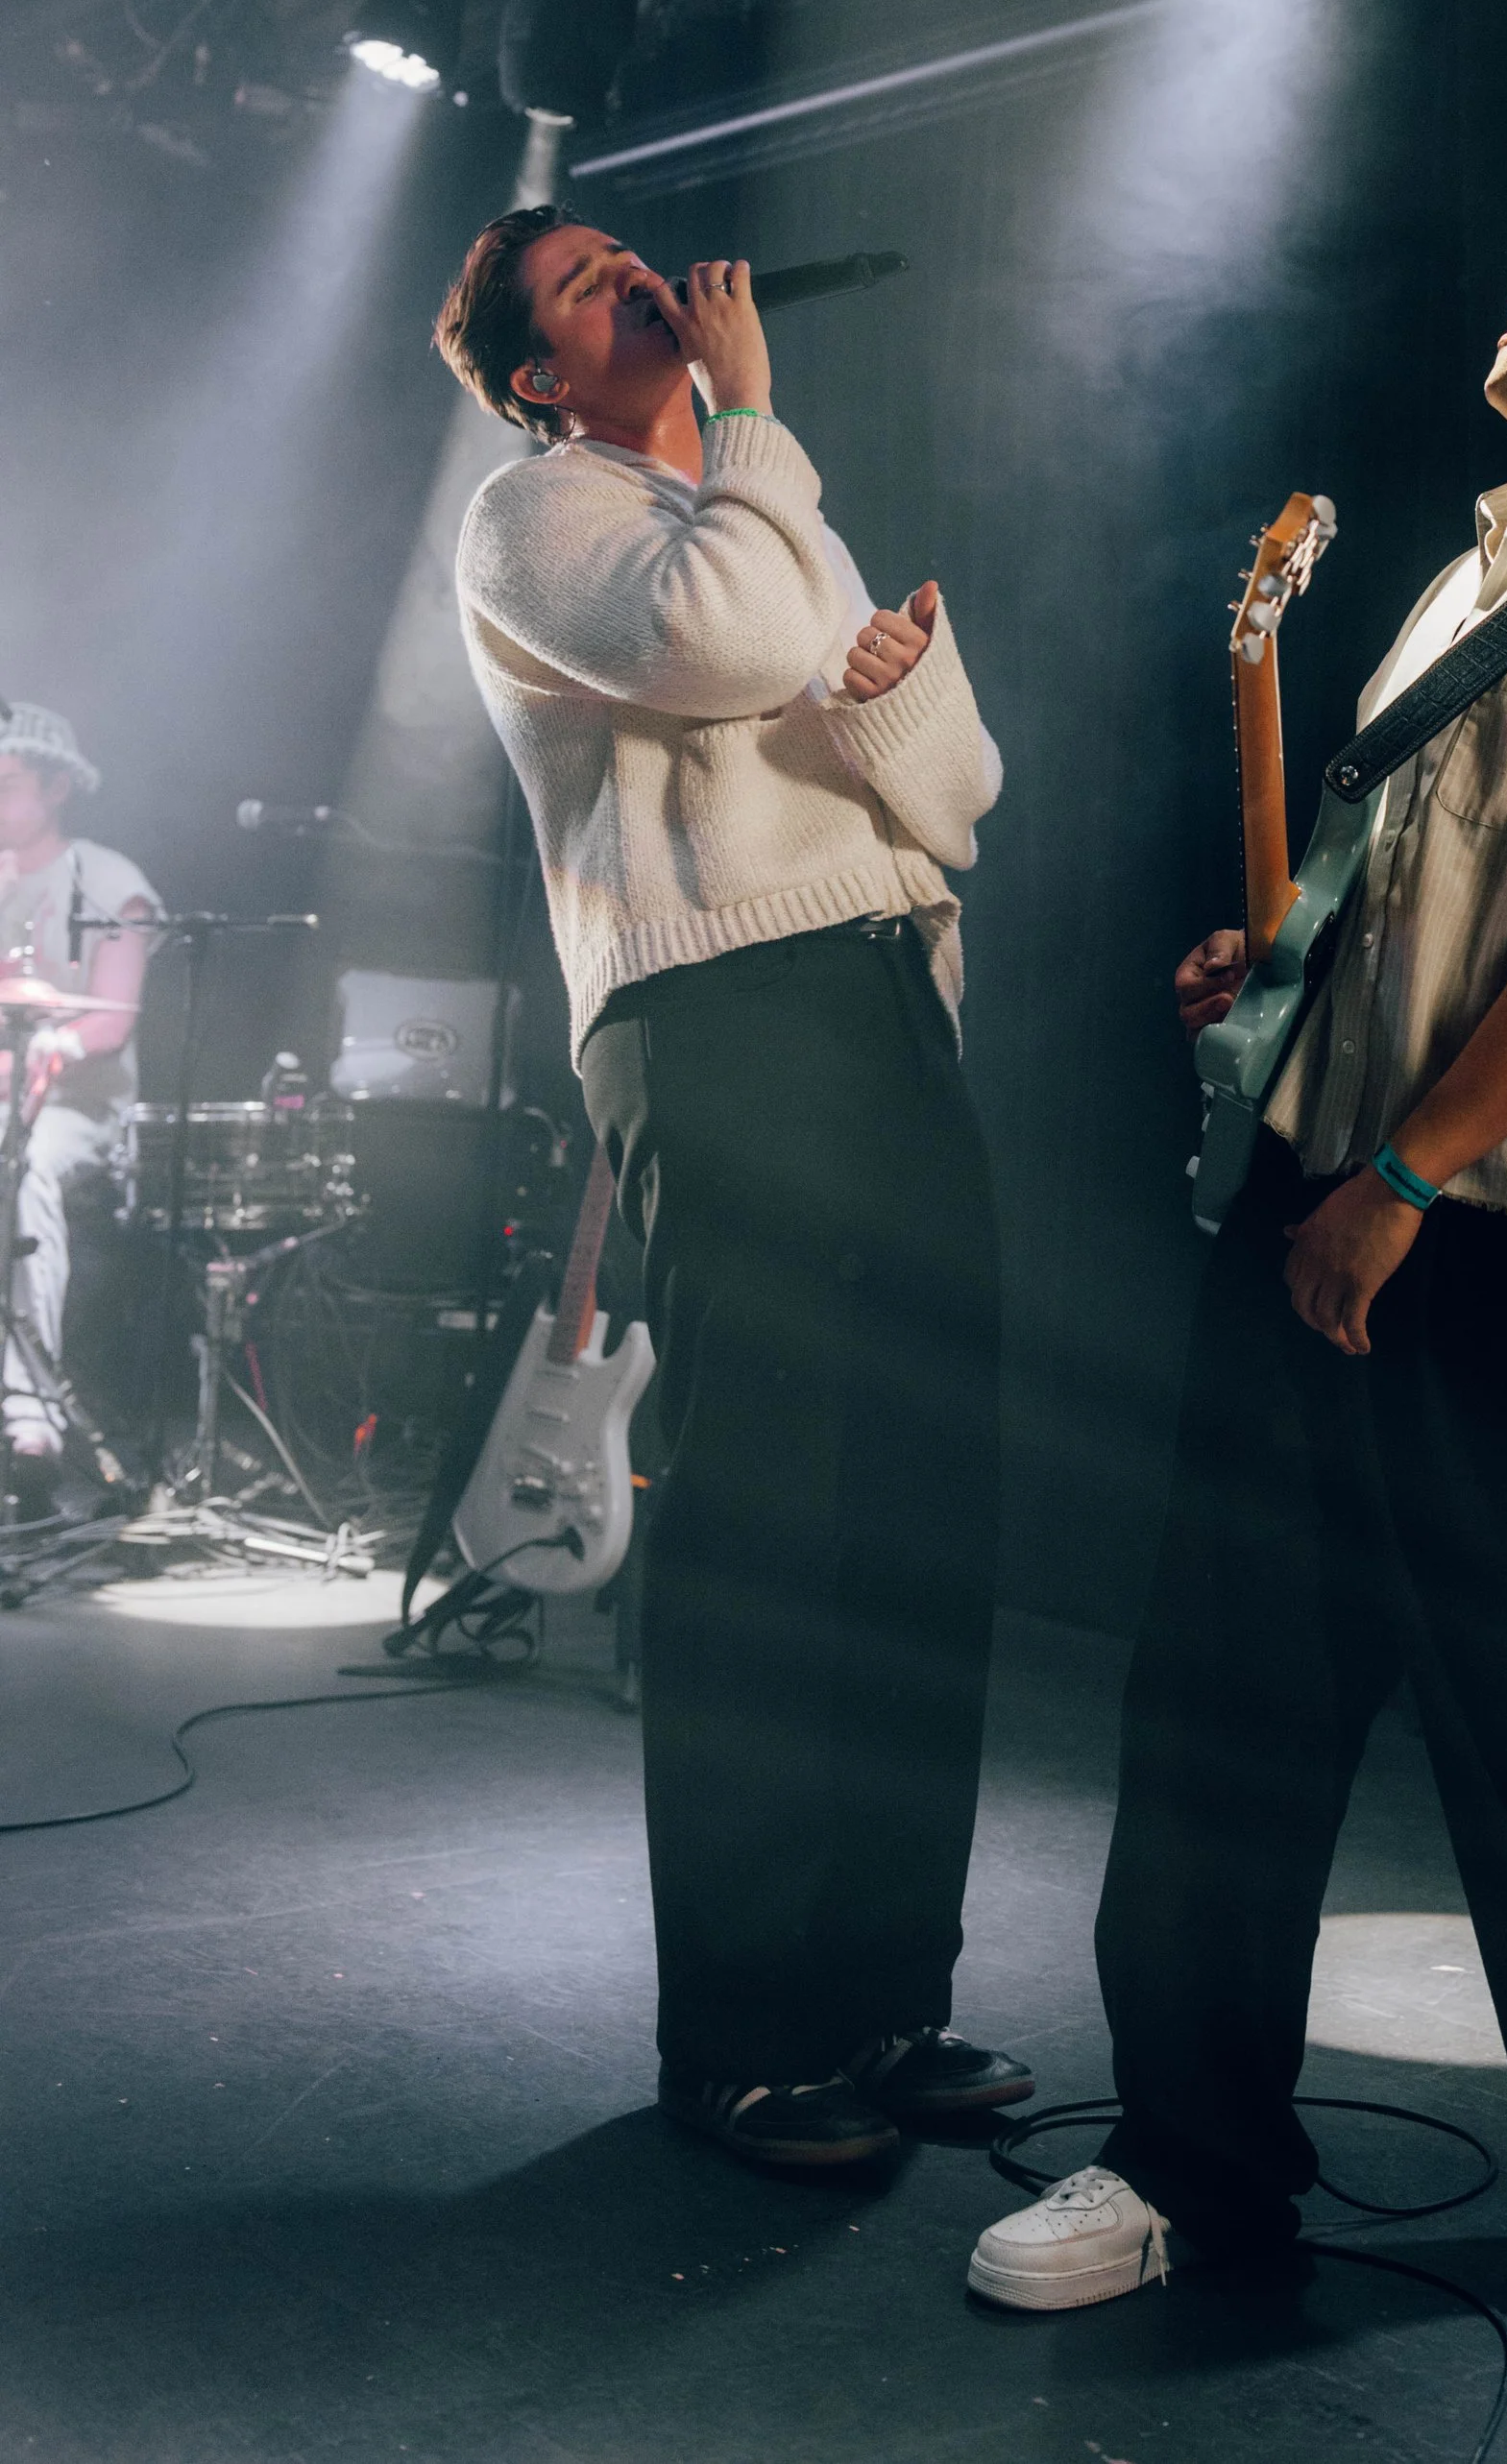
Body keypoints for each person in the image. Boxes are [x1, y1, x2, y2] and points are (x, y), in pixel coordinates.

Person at [970, 166, 1507, 2349]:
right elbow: (1425, 900)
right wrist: (1274, 986)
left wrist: (1407, 1178)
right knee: (1221, 1704)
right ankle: (1188, 2150)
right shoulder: (1470, 568)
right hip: (1332, 1187)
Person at [436, 211, 1027, 2172]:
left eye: (636, 259)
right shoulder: (538, 521)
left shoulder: (767, 510)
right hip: (709, 1001)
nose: (647, 283)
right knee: (767, 1508)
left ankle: (884, 1997)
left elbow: (958, 790)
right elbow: (736, 645)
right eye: (594, 283)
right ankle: (744, 2037)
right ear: (538, 376)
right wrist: (756, 424)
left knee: (922, 1504)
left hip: (882, 982)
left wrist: (900, 690)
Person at [0, 701, 158, 1513]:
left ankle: (31, 1412)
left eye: (11, 780)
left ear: (57, 786)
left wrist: (46, 1046)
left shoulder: (108, 881)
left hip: (79, 1111)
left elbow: (111, 1017)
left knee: (21, 1170)